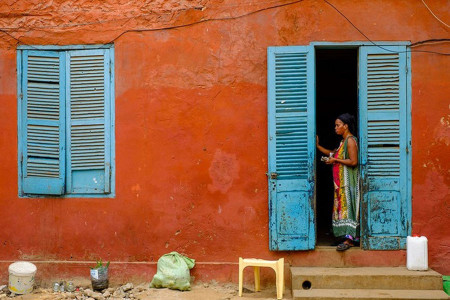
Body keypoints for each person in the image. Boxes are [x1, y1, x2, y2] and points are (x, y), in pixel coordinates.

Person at [316, 113, 360, 251]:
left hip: (348, 182)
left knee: (348, 208)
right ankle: (345, 237)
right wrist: (317, 146)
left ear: (345, 126)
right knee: (341, 209)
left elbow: (353, 162)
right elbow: (331, 153)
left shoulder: (351, 141)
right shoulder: (342, 142)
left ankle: (351, 240)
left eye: (338, 125)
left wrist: (335, 160)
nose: (335, 128)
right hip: (340, 183)